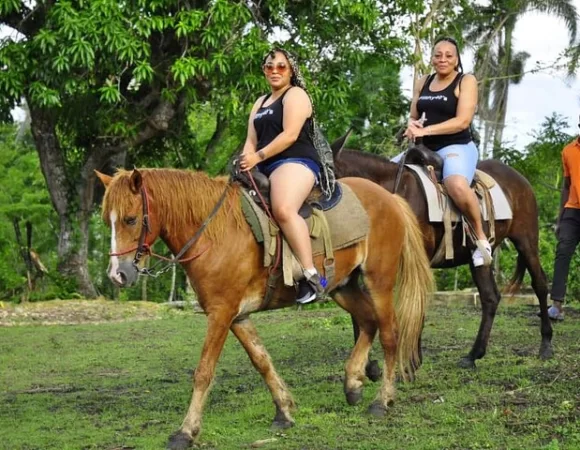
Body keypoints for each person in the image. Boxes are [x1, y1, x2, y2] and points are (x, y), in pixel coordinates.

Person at [239, 48, 326, 304]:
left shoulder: (296, 95)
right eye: (269, 67)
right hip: (263, 163)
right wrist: (247, 161)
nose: (274, 71)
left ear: (291, 71)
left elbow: (289, 135)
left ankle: (312, 276)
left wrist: (258, 157)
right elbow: (250, 140)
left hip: (294, 160)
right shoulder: (260, 102)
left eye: (281, 67)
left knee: (284, 209)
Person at [403, 37, 492, 267]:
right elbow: (414, 115)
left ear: (456, 59)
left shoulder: (466, 80)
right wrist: (411, 125)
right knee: (388, 173)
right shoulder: (423, 81)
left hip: (456, 146)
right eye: (437, 55)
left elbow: (462, 121)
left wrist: (428, 129)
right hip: (424, 149)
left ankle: (481, 239)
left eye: (448, 55)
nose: (442, 59)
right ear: (432, 58)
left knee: (456, 184)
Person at [546, 123, 580, 320]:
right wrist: (560, 218)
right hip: (572, 211)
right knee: (562, 253)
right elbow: (567, 185)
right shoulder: (568, 151)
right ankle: (557, 305)